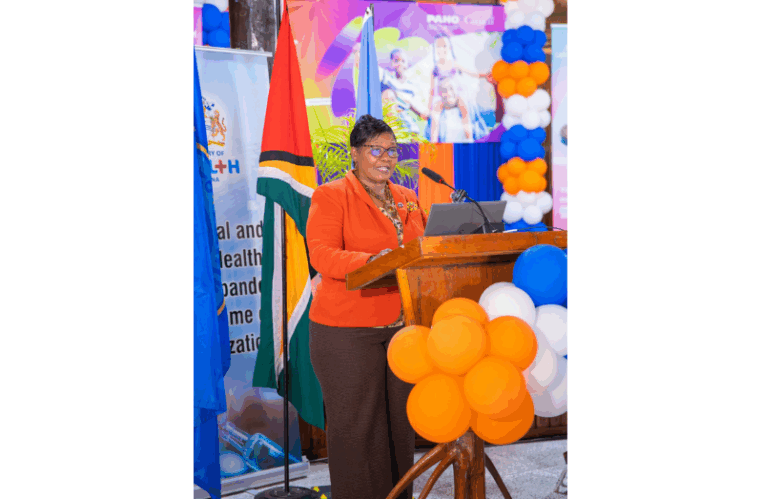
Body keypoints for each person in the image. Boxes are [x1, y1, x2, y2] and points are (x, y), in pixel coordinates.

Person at [306, 115, 427, 499]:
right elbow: (322, 254)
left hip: (402, 330)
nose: (386, 158)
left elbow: (425, 248)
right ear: (355, 153)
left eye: (391, 150)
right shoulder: (331, 195)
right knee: (358, 433)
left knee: (398, 431)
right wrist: (375, 261)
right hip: (347, 333)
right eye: (376, 150)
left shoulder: (407, 197)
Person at [426, 34, 491, 143]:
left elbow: (471, 73)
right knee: (435, 113)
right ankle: (433, 142)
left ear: (449, 47)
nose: (442, 49)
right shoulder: (435, 68)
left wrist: (484, 75)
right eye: (439, 46)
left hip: (455, 93)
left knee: (463, 106)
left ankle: (469, 138)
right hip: (443, 95)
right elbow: (432, 90)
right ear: (435, 49)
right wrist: (429, 107)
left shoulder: (453, 63)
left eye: (444, 46)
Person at [380, 49, 429, 133]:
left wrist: (421, 114)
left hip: (403, 115)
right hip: (390, 114)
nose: (400, 64)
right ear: (391, 63)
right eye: (396, 61)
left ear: (407, 64)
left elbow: (411, 104)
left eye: (403, 61)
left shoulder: (411, 86)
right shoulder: (387, 78)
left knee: (413, 130)